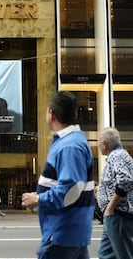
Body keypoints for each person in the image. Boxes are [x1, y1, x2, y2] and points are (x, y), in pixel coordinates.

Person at [21, 91, 95, 259]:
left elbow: (71, 189)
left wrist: (39, 199)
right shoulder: (71, 142)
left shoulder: (69, 146)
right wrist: (40, 195)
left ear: (51, 113)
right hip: (71, 231)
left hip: (63, 231)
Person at [96, 127, 133, 259]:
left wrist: (110, 208)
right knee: (105, 254)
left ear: (104, 144)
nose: (98, 145)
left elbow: (125, 181)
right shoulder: (119, 155)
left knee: (124, 255)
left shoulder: (117, 156)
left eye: (99, 142)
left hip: (118, 215)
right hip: (114, 215)